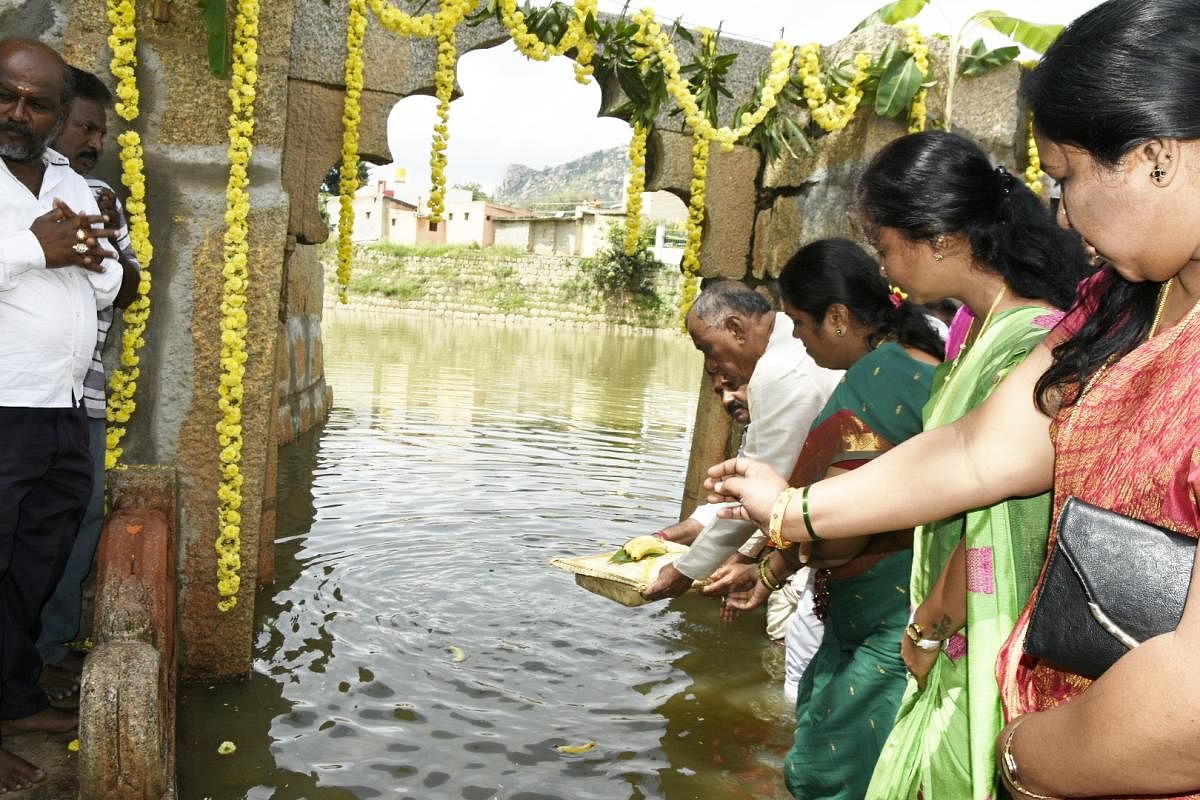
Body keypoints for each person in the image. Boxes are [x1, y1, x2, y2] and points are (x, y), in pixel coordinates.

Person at [705, 1, 1200, 796]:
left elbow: (1186, 710)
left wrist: (1018, 758)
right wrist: (792, 512)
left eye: (1068, 178)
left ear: (1155, 155)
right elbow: (979, 449)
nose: (1061, 212)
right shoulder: (1121, 304)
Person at [849, 131, 1091, 800]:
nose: (885, 265)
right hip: (957, 631)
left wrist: (931, 622)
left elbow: (995, 508)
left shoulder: (1029, 339)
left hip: (975, 630)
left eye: (884, 244)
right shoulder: (974, 332)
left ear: (935, 237)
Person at [705, 238, 942, 800]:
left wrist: (776, 514)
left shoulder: (871, 385)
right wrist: (765, 573)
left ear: (838, 318)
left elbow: (837, 531)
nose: (801, 342)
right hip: (906, 603)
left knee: (829, 774)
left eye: (802, 324)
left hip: (887, 620)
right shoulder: (924, 361)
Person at [0, 38, 121, 791]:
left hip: (62, 408)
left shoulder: (73, 187)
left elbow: (106, 284)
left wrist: (88, 251)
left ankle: (10, 700)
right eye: (5, 95)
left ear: (57, 115)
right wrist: (33, 249)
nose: (17, 113)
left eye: (36, 104)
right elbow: (44, 257)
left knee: (31, 569)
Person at [36, 66, 141, 699]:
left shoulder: (101, 194)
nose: (95, 141)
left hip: (85, 394)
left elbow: (128, 290)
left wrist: (109, 242)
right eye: (86, 127)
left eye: (101, 132)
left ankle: (45, 651)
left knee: (76, 518)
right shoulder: (17, 188)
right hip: (20, 391)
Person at [642, 281, 841, 603]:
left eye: (707, 348)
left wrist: (684, 571)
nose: (711, 364)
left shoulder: (778, 370)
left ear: (735, 328)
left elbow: (756, 490)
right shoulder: (786, 342)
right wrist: (667, 538)